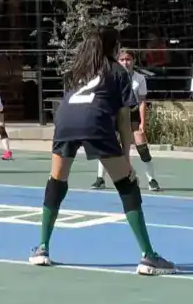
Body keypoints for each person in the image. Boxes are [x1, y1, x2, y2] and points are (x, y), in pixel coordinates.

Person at [31, 25, 174, 275]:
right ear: (113, 47)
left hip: (64, 122)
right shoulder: (118, 72)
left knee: (56, 181)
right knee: (127, 185)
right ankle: (148, 256)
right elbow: (123, 122)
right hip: (94, 121)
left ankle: (42, 248)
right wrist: (126, 160)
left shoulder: (78, 72)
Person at [94, 47, 161, 192]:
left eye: (128, 59)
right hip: (115, 113)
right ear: (117, 61)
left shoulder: (139, 78)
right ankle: (100, 178)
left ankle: (152, 179)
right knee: (107, 146)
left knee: (141, 145)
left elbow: (142, 101)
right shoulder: (111, 76)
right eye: (122, 59)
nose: (125, 62)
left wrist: (143, 122)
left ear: (133, 61)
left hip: (132, 114)